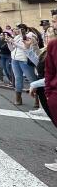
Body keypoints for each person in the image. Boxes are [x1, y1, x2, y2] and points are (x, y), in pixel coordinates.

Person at [7, 24, 40, 106]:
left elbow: (25, 47)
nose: (14, 30)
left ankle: (37, 100)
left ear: (23, 29)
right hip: (15, 59)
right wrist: (9, 42)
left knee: (32, 79)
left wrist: (13, 42)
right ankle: (18, 98)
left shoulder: (29, 35)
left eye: (17, 29)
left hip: (24, 60)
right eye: (14, 29)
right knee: (18, 79)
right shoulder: (17, 37)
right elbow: (12, 49)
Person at [43, 11, 57, 170]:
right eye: (53, 21)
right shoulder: (53, 44)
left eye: (54, 22)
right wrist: (48, 93)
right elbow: (49, 71)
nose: (53, 25)